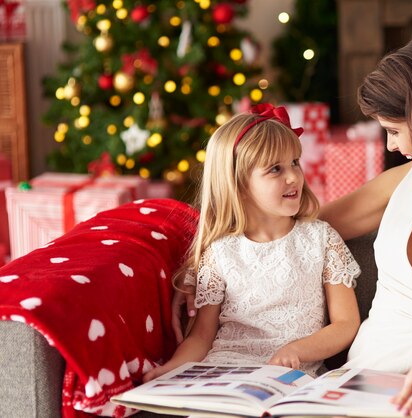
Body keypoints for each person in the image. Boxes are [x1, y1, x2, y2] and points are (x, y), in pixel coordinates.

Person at [174, 35, 412, 417]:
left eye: (394, 130)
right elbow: (287, 234)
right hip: (363, 375)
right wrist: (200, 270)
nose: (391, 146)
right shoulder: (403, 182)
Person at [146, 104, 360, 381]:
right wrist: (169, 369)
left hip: (293, 375)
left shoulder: (321, 239)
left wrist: (297, 349)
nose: (294, 176)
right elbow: (201, 337)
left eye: (295, 162)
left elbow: (346, 323)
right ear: (239, 185)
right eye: (275, 169)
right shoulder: (220, 252)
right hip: (226, 372)